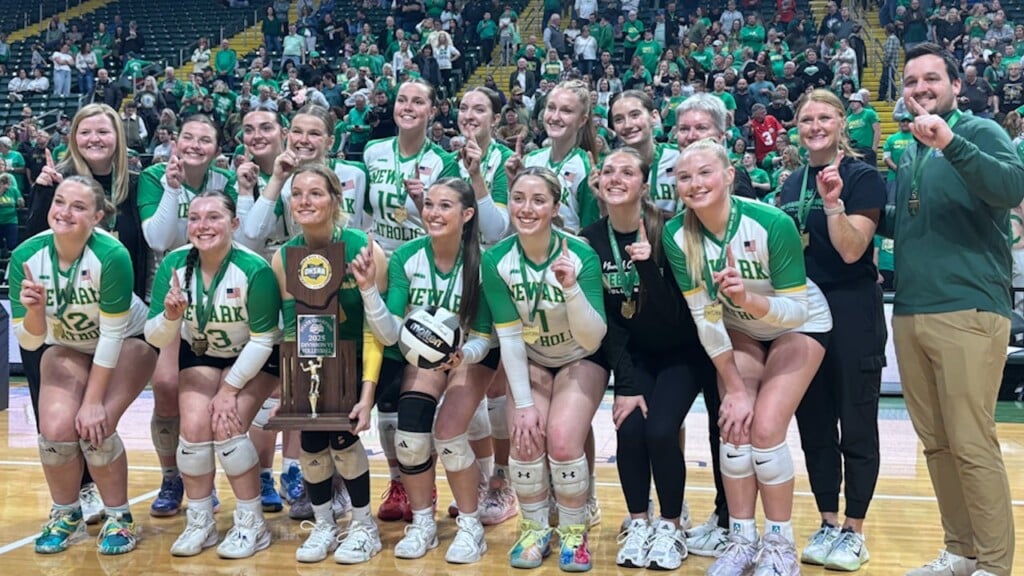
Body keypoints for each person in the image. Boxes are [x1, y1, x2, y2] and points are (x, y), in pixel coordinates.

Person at [664, 139, 832, 576]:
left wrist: (751, 300)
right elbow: (705, 317)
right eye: (684, 176)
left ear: (728, 176)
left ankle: (780, 545)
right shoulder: (677, 235)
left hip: (799, 323)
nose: (695, 183)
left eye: (704, 173)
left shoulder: (771, 223)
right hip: (739, 328)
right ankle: (741, 540)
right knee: (734, 426)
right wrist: (734, 389)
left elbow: (794, 309)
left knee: (766, 427)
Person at [885, 42, 1021, 576]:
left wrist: (952, 141)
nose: (921, 89)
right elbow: (912, 217)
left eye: (931, 79)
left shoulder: (980, 131)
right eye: (912, 82)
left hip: (969, 306)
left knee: (970, 441)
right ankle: (960, 550)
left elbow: (1012, 186)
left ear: (956, 85)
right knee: (937, 444)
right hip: (912, 309)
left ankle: (993, 562)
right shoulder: (907, 148)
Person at [10, 176, 156, 555]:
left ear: (98, 217)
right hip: (67, 347)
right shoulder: (26, 257)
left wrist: (93, 401)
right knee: (55, 432)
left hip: (127, 343)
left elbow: (111, 336)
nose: (65, 212)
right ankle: (65, 513)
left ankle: (119, 517)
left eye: (78, 207)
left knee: (97, 426)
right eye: (60, 202)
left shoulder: (111, 255)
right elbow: (29, 341)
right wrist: (36, 313)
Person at [581, 148, 712, 570]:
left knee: (660, 431)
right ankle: (639, 522)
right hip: (634, 352)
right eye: (608, 171)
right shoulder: (591, 239)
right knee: (630, 427)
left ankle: (671, 526)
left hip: (682, 349)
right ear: (597, 182)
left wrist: (648, 270)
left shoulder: (668, 231)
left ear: (643, 184)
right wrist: (627, 387)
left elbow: (678, 316)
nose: (615, 178)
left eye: (627, 172)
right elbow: (609, 323)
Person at [352, 177, 495, 563]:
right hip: (423, 353)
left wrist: (462, 355)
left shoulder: (484, 264)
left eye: (444, 206)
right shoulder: (406, 258)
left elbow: (484, 336)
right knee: (411, 436)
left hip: (475, 353)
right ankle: (422, 523)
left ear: (467, 214)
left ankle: (469, 525)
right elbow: (390, 332)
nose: (433, 213)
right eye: (429, 204)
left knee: (448, 434)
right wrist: (368, 290)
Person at [779, 89, 887, 572]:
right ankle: (826, 521)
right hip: (803, 315)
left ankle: (854, 530)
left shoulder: (863, 177)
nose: (815, 126)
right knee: (815, 424)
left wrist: (832, 205)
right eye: (806, 119)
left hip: (851, 312)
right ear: (797, 127)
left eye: (824, 117)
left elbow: (850, 251)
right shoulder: (789, 184)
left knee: (856, 424)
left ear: (842, 123)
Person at [481, 166, 608, 571]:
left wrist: (570, 288)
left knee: (564, 440)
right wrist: (522, 404)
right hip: (531, 357)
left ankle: (574, 533)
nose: (527, 208)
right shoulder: (496, 259)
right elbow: (511, 337)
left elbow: (593, 339)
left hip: (580, 356)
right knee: (524, 435)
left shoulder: (580, 253)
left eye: (539, 200)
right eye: (518, 198)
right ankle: (534, 529)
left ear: (556, 207)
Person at [145, 191, 281, 559]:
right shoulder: (173, 265)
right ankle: (201, 520)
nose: (202, 225)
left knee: (228, 426)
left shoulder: (255, 269)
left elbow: (264, 339)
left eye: (214, 217)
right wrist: (171, 317)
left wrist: (229, 389)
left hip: (256, 355)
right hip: (203, 353)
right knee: (192, 429)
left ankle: (252, 523)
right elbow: (154, 336)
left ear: (234, 224)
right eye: (195, 218)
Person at [270, 163, 390, 564]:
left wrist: (367, 391)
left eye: (315, 193)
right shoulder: (284, 256)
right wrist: (292, 387)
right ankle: (323, 524)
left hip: (360, 360)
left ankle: (363, 526)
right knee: (310, 442)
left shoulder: (363, 248)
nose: (305, 201)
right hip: (310, 364)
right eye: (298, 194)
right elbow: (290, 329)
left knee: (342, 438)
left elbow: (377, 330)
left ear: (336, 200)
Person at [137, 114, 238, 517]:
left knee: (208, 394)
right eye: (188, 138)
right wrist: (171, 189)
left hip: (216, 294)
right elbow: (158, 239)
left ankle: (204, 481)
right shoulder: (154, 176)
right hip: (170, 290)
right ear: (175, 141)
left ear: (216, 149)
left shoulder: (223, 183)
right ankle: (170, 476)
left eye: (205, 140)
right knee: (164, 385)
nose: (195, 145)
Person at [231, 107, 308, 516]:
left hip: (301, 283)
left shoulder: (306, 176)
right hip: (258, 286)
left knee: (297, 385)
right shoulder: (242, 179)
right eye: (248, 129)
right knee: (267, 385)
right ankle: (262, 473)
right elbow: (248, 239)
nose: (257, 134)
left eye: (265, 127)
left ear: (283, 133)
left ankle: (293, 468)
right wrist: (263, 186)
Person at [505, 79, 600, 234]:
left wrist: (559, 232)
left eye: (566, 111)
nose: (555, 117)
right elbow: (514, 224)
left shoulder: (585, 167)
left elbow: (589, 235)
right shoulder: (529, 161)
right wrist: (513, 184)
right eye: (551, 108)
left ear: (582, 120)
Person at [610, 90, 680, 216]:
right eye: (619, 119)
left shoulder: (679, 157)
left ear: (654, 117)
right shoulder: (609, 169)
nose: (628, 125)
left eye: (635, 115)